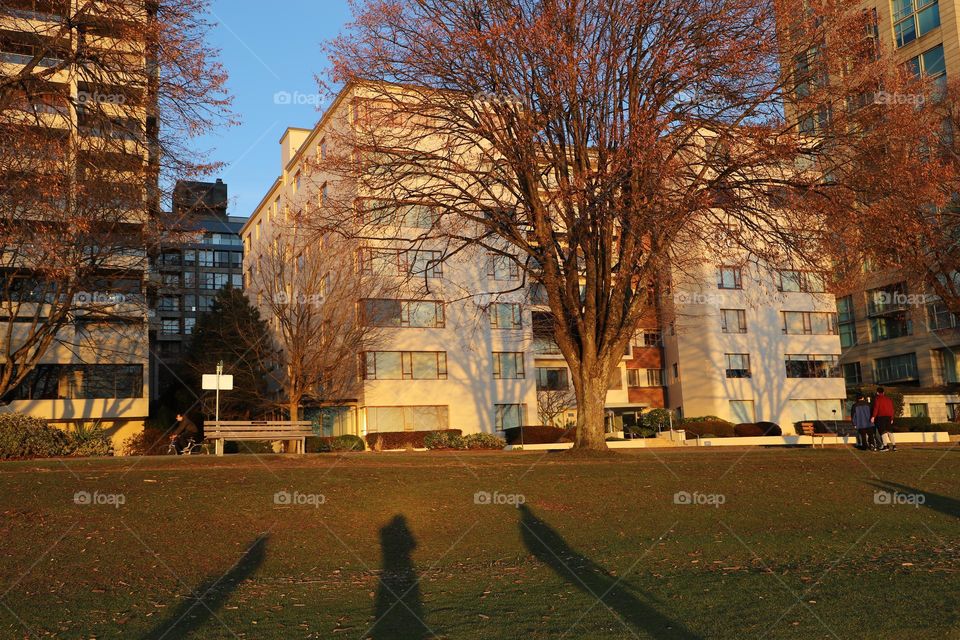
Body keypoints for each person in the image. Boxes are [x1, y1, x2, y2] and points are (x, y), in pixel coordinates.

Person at [871, 387, 896, 452]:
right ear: (883, 392)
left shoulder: (877, 399)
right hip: (888, 417)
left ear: (877, 392)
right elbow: (892, 410)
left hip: (881, 417)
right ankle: (894, 446)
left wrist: (873, 417)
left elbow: (876, 408)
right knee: (890, 431)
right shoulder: (889, 399)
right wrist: (892, 418)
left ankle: (885, 446)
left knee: (883, 432)